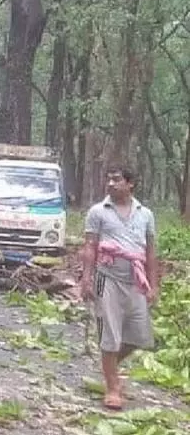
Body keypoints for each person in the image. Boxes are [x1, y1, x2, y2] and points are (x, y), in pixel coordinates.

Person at [80, 165, 158, 411]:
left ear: (130, 183)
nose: (111, 183)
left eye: (117, 179)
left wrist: (153, 284)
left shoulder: (145, 214)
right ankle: (113, 388)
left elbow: (150, 252)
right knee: (110, 333)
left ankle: (109, 363)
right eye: (109, 179)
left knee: (139, 336)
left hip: (135, 281)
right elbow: (90, 246)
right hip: (107, 278)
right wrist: (86, 279)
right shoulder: (98, 212)